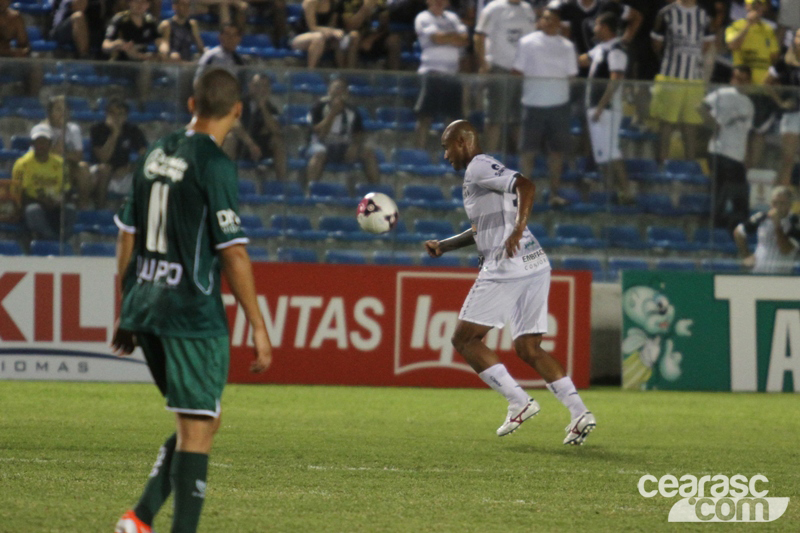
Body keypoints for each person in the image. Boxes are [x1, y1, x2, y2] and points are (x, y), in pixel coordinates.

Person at [112, 67, 273, 533]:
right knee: (199, 428)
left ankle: (139, 519)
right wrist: (259, 327)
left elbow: (126, 234)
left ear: (191, 105)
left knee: (202, 420)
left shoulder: (155, 151)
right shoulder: (215, 164)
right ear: (237, 111)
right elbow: (234, 253)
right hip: (190, 313)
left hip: (146, 307)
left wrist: (126, 306)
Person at [424, 119, 596, 445]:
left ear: (462, 141)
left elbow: (526, 185)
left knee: (465, 340)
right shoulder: (482, 174)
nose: (445, 155)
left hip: (506, 266)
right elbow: (482, 230)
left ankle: (519, 401)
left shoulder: (477, 166)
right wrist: (444, 245)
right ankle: (579, 412)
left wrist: (518, 228)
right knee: (528, 348)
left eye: (446, 147)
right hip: (534, 263)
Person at [512, 6, 578, 207]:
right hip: (533, 104)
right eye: (545, 18)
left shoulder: (567, 46)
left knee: (556, 152)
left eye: (552, 19)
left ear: (559, 23)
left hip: (559, 105)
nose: (548, 22)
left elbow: (572, 75)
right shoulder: (527, 42)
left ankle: (554, 194)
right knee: (528, 152)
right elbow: (517, 71)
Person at [649, 0, 715, 164]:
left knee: (690, 126)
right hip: (670, 76)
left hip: (694, 79)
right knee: (666, 124)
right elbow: (656, 44)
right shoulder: (666, 12)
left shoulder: (703, 14)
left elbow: (706, 43)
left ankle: (690, 165)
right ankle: (661, 166)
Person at [579, 12, 632, 203]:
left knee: (611, 151)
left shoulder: (616, 50)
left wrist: (601, 106)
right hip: (595, 107)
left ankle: (626, 191)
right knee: (604, 153)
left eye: (598, 25)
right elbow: (582, 60)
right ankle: (616, 192)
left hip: (606, 109)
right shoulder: (601, 48)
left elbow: (615, 80)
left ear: (606, 28)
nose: (594, 28)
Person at [473, 0, 536, 153]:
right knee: (495, 118)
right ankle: (488, 161)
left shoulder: (528, 9)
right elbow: (479, 36)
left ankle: (520, 162)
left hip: (522, 72)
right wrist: (483, 64)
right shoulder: (493, 8)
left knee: (519, 119)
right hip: (500, 69)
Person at [698, 65, 755, 231]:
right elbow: (701, 106)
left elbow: (747, 133)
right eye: (737, 79)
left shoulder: (749, 104)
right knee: (725, 191)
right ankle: (720, 227)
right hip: (720, 150)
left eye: (744, 80)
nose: (740, 83)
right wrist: (713, 124)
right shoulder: (722, 93)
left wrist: (747, 157)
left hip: (736, 155)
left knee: (735, 193)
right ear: (732, 79)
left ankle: (732, 227)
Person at [413, 0, 469, 149]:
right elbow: (436, 38)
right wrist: (454, 37)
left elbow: (464, 40)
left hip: (452, 74)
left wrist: (447, 37)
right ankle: (418, 153)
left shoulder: (453, 17)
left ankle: (451, 156)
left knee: (453, 119)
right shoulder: (423, 17)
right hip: (432, 72)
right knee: (425, 116)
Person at [306, 77, 379, 188]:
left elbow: (358, 133)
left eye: (342, 89)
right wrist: (332, 113)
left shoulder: (352, 110)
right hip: (322, 144)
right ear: (329, 90)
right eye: (336, 88)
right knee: (319, 154)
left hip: (344, 146)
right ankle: (310, 191)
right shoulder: (318, 107)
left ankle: (377, 191)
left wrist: (355, 145)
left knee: (368, 153)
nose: (339, 92)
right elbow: (319, 133)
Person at [11, 124, 77, 241]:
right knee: (33, 210)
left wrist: (60, 200)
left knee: (70, 210)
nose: (41, 145)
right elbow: (18, 194)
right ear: (32, 144)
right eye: (38, 142)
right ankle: (51, 239)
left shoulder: (60, 164)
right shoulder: (22, 164)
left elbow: (67, 189)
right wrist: (41, 202)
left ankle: (63, 241)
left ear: (50, 144)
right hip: (33, 205)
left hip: (56, 206)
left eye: (44, 142)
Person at [223, 74, 288, 182]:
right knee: (230, 139)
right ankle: (225, 181)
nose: (261, 90)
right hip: (243, 143)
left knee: (278, 141)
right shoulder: (239, 102)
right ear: (250, 86)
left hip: (261, 146)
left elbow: (276, 130)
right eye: (258, 86)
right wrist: (250, 144)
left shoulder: (271, 108)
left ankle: (282, 185)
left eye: (265, 86)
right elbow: (234, 124)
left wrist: (263, 107)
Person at [90, 97, 148, 208]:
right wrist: (114, 134)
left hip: (123, 174)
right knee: (104, 169)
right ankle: (100, 209)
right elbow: (103, 158)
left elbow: (145, 155)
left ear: (126, 116)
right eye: (113, 114)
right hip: (99, 173)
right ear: (107, 114)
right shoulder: (97, 129)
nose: (116, 118)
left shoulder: (132, 130)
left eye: (120, 114)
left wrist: (130, 168)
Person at [40, 96, 92, 208]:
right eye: (58, 109)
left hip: (67, 167)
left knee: (83, 168)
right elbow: (50, 155)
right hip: (46, 169)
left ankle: (83, 206)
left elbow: (78, 156)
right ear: (50, 112)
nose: (63, 114)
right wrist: (63, 131)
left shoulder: (74, 129)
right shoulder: (42, 129)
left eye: (65, 110)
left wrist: (60, 154)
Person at [734, 186, 800, 274]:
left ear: (789, 205)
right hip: (758, 273)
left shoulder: (795, 222)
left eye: (782, 203)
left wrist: (777, 226)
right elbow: (738, 232)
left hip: (781, 277)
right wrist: (746, 255)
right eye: (775, 203)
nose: (778, 207)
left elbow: (785, 249)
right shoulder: (762, 217)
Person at [765, 28, 800, 187]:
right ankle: (780, 192)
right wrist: (780, 102)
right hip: (792, 114)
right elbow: (766, 83)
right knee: (788, 158)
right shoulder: (784, 61)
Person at [340, 0, 402, 69]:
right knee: (354, 37)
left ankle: (394, 77)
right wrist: (365, 9)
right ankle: (351, 75)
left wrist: (371, 39)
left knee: (394, 40)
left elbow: (384, 27)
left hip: (373, 37)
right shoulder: (349, 2)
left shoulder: (380, 2)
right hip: (355, 36)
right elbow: (350, 27)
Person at [291, 0, 347, 69]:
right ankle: (310, 71)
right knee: (319, 37)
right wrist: (332, 31)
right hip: (301, 37)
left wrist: (334, 33)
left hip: (324, 36)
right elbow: (312, 27)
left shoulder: (334, 3)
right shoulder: (310, 2)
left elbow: (331, 26)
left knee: (340, 39)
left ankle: (343, 72)